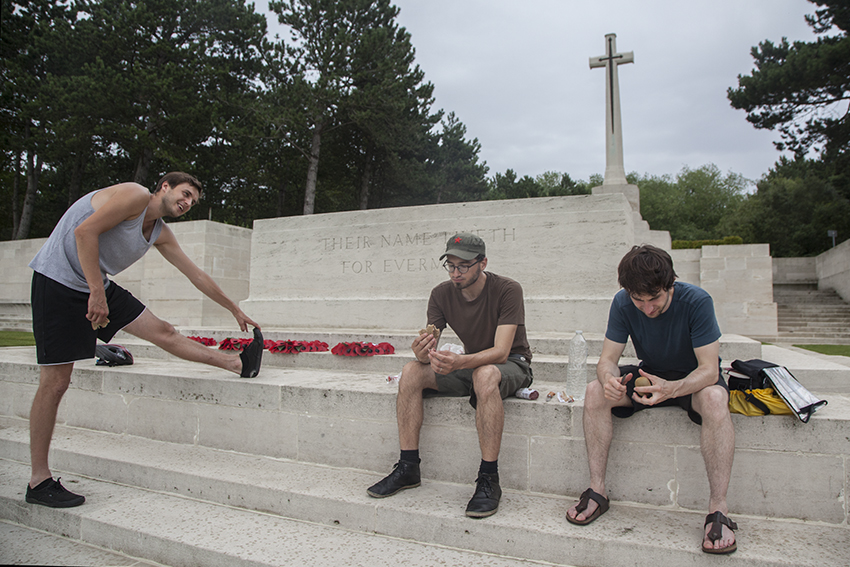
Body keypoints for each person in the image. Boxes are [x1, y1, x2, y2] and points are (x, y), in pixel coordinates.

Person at [25, 172, 264, 508]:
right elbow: (84, 232)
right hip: (59, 282)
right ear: (164, 187)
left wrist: (234, 309)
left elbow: (196, 274)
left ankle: (236, 362)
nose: (186, 203)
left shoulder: (160, 233)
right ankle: (39, 482)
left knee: (163, 331)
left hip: (96, 283)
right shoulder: (135, 196)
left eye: (192, 201)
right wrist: (97, 292)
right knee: (55, 383)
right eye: (184, 194)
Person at [566, 244, 738, 555]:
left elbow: (710, 369)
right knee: (594, 391)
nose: (647, 308)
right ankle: (597, 491)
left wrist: (673, 388)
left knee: (715, 398)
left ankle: (718, 509)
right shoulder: (622, 302)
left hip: (691, 380)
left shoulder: (696, 301)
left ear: (670, 285)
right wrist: (610, 382)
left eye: (654, 299)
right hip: (650, 376)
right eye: (638, 300)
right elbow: (607, 360)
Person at [367, 233, 533, 518]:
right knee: (410, 372)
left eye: (463, 266)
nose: (456, 273)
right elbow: (430, 343)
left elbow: (502, 352)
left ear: (482, 263)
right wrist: (423, 354)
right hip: (469, 365)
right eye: (451, 266)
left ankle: (489, 479)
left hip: (511, 365)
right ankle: (408, 467)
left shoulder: (508, 289)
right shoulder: (441, 294)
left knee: (484, 375)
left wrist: (459, 362)